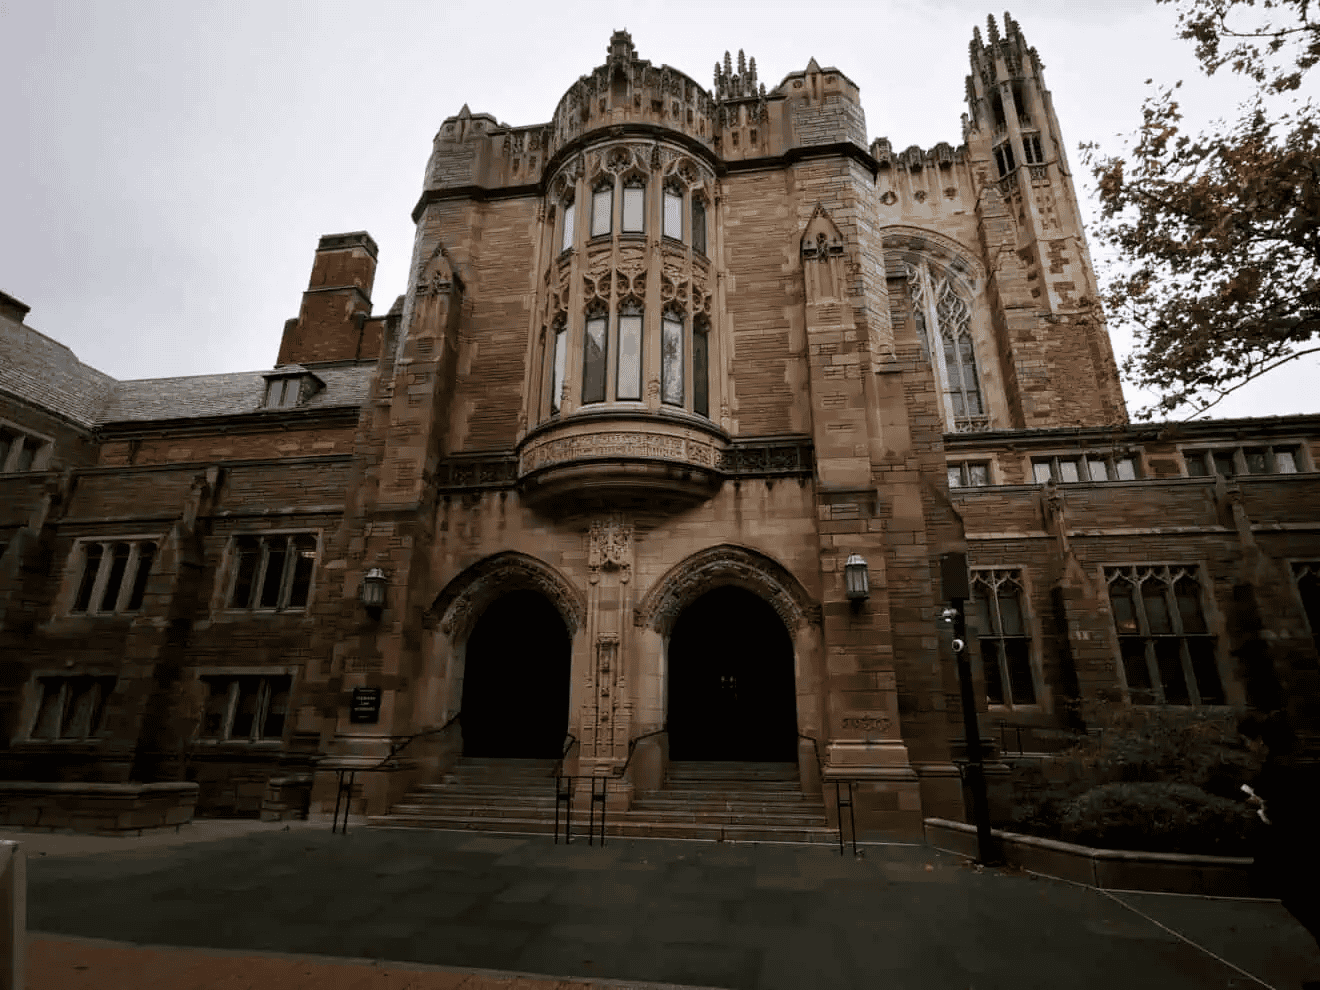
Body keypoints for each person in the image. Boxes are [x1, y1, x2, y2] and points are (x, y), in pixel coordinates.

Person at [1239, 711, 1320, 984]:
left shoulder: (1280, 767)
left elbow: (1279, 808)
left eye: (1250, 741)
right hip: (1301, 847)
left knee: (1303, 900)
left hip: (1297, 848)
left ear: (1263, 741)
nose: (1250, 748)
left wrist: (1263, 807)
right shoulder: (1297, 761)